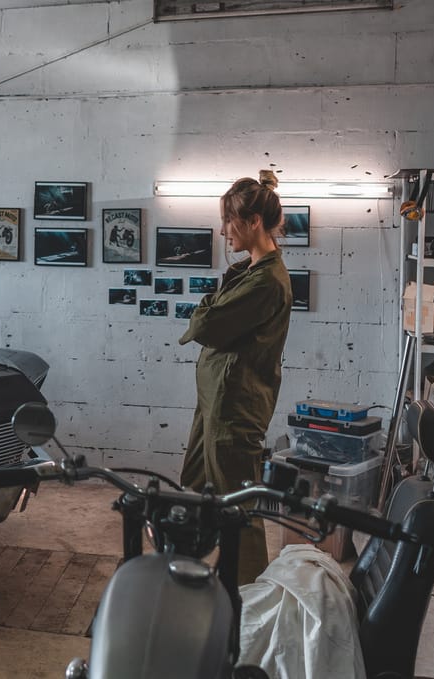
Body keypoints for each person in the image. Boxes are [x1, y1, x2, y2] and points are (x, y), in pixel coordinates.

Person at [178, 169, 292, 586]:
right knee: (191, 489)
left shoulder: (265, 280)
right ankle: (182, 567)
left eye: (230, 221)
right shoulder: (249, 271)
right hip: (215, 400)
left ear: (254, 222)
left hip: (234, 405)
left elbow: (206, 325)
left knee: (238, 506)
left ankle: (247, 595)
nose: (224, 231)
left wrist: (206, 305)